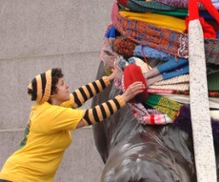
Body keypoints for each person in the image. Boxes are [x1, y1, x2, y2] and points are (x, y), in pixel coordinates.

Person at [0, 65, 145, 182]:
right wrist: (124, 97)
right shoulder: (50, 115)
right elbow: (91, 116)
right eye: (62, 84)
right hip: (19, 177)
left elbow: (80, 95)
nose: (67, 86)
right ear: (52, 93)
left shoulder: (49, 106)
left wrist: (110, 78)